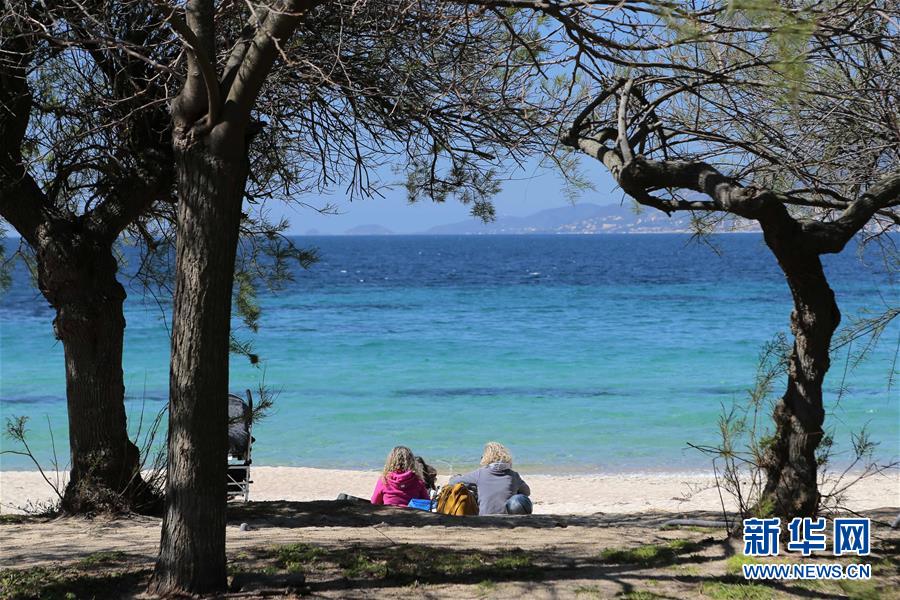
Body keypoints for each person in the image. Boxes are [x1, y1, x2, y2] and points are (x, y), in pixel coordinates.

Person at [450, 441, 532, 515]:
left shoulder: (480, 473)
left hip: (484, 518)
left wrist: (457, 476)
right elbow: (526, 492)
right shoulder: (513, 475)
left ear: (486, 457)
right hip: (507, 518)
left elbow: (452, 482)